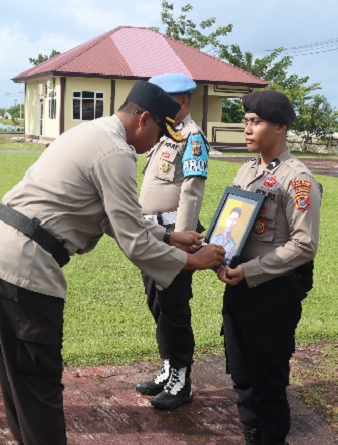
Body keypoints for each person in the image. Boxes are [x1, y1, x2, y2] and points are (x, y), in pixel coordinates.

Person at [0, 80, 226, 445]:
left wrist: (170, 236)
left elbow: (111, 219)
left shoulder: (92, 131)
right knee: (39, 381)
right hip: (25, 265)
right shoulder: (116, 152)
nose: (155, 144)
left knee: (20, 379)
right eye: (157, 133)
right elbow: (133, 242)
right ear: (145, 119)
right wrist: (194, 261)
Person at [217, 89, 322, 445]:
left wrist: (250, 271)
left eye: (255, 122)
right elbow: (231, 227)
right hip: (238, 287)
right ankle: (252, 434)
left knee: (268, 378)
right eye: (245, 121)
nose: (247, 129)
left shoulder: (298, 179)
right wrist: (219, 255)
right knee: (241, 373)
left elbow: (304, 245)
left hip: (273, 292)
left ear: (280, 127)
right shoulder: (246, 171)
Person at [135, 73, 210, 410]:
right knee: (158, 304)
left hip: (173, 238)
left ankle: (181, 379)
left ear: (181, 102)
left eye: (164, 101)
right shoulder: (167, 136)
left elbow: (192, 192)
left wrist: (181, 241)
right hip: (154, 235)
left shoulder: (192, 138)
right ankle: (168, 367)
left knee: (175, 309)